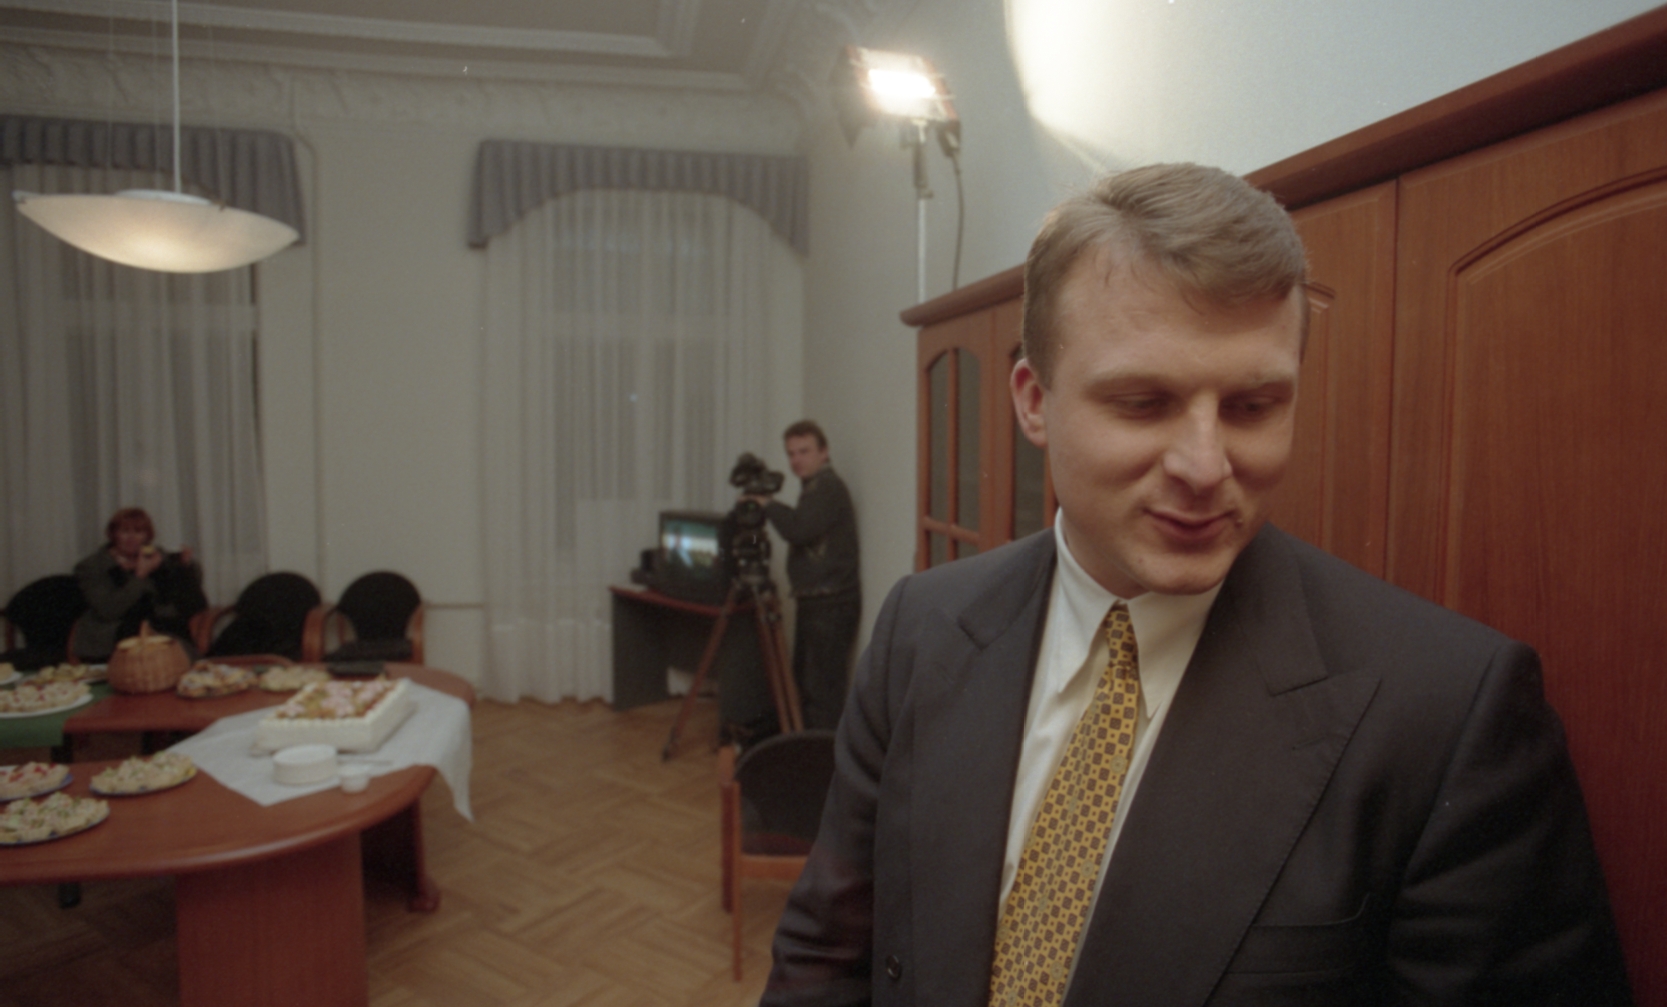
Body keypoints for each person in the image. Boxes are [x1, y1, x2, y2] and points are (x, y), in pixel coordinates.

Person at [760, 165, 1631, 1006]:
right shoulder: (922, 625)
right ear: (1033, 400)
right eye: (1142, 402)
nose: (1205, 466)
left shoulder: (1445, 714)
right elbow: (827, 950)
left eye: (1252, 406)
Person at [753, 420, 861, 731]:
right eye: (791, 453)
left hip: (831, 605)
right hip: (820, 602)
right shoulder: (815, 486)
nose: (796, 460)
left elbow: (798, 529)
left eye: (804, 451)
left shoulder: (827, 487)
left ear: (823, 452)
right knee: (809, 686)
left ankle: (822, 757)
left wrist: (767, 504)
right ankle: (808, 751)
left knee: (821, 693)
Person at [73, 507, 206, 661]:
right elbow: (108, 610)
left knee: (174, 639)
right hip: (114, 633)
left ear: (147, 536)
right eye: (125, 531)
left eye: (138, 532)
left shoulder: (153, 555)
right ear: (113, 534)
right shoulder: (91, 566)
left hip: (159, 627)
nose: (132, 538)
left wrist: (186, 565)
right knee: (160, 644)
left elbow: (191, 593)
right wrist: (140, 576)